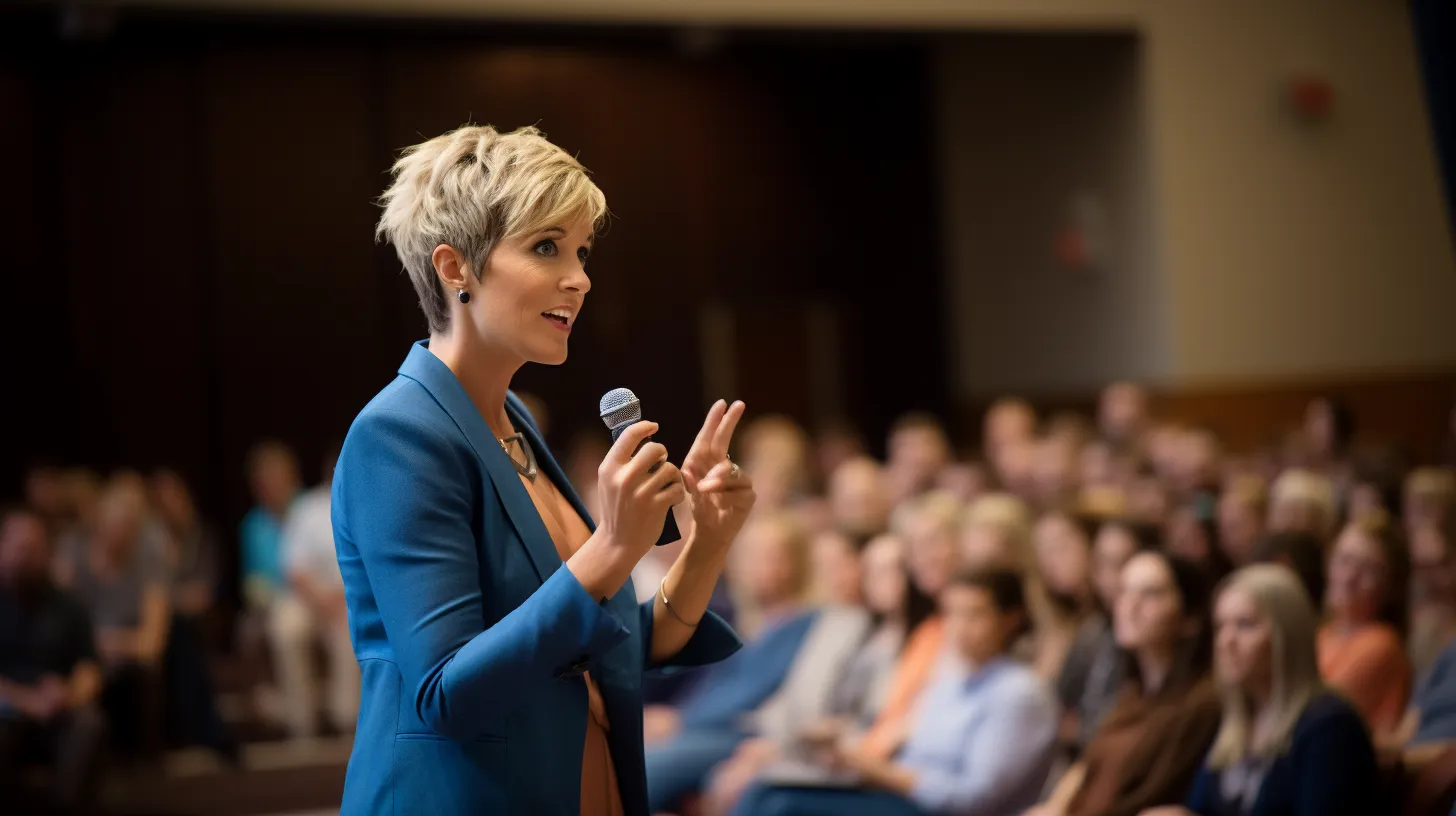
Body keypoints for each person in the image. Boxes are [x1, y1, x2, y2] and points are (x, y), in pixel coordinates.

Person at [336, 124, 752, 815]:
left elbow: (599, 645)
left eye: (582, 251)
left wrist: (706, 540)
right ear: (454, 267)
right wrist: (615, 546)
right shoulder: (399, 434)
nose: (581, 277)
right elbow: (447, 693)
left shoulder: (514, 421)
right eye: (546, 247)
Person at [732, 567, 1057, 816]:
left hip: (933, 811)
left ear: (1010, 620)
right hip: (898, 795)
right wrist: (852, 756)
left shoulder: (1018, 694)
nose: (959, 627)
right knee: (765, 788)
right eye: (952, 613)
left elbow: (973, 798)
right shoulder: (951, 677)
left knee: (783, 805)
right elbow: (911, 750)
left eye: (975, 614)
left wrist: (879, 770)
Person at [1141, 564, 1380, 816]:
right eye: (1221, 626)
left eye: (1244, 625)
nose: (1226, 641)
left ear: (1286, 636)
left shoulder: (1330, 727)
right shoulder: (1238, 723)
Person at [1031, 551, 1221, 816]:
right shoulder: (1131, 693)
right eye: (1124, 591)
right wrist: (1054, 807)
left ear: (1190, 617)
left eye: (1151, 594)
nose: (1130, 606)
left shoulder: (1202, 703)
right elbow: (1087, 767)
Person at [0, 508, 106, 814]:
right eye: (20, 548)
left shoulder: (69, 605)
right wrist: (27, 701)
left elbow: (90, 668)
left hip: (58, 708)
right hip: (8, 706)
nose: (26, 557)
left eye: (34, 549)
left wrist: (70, 693)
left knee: (89, 724)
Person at [1317, 512, 1412, 736]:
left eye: (1369, 569)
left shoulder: (1381, 643)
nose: (1348, 577)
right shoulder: (1324, 633)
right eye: (1344, 560)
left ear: (1391, 587)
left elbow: (1312, 711)